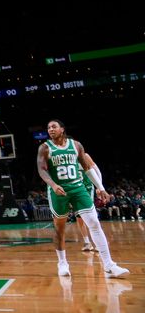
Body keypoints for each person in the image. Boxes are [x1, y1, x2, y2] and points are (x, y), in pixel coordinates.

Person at [36, 119, 128, 278]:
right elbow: (42, 170)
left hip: (78, 188)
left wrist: (101, 188)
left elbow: (87, 168)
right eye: (48, 127)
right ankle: (62, 262)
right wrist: (52, 184)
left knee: (94, 222)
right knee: (60, 228)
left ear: (62, 129)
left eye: (54, 127)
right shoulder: (44, 148)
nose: (50, 129)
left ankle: (108, 265)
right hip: (58, 191)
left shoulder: (76, 145)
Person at [77, 152, 101, 252]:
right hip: (76, 189)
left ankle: (98, 243)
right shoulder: (65, 158)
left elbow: (97, 171)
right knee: (79, 217)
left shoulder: (85, 156)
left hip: (87, 188)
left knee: (91, 216)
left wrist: (99, 186)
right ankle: (87, 242)